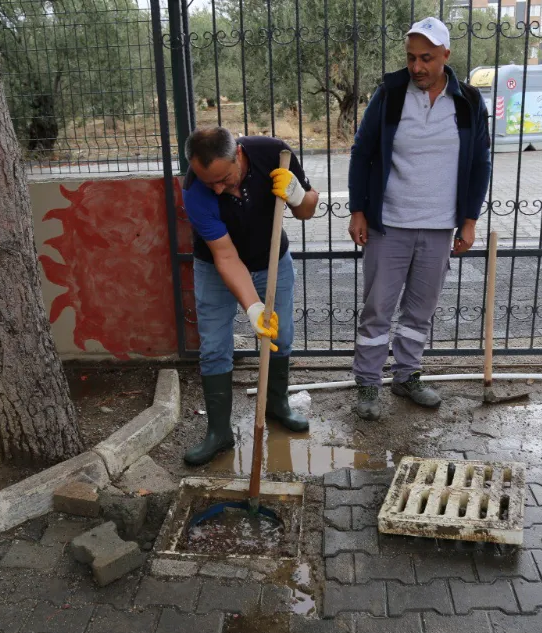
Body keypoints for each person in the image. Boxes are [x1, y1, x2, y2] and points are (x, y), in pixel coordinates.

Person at [347, 17, 492, 420]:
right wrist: (358, 209)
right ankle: (368, 384)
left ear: (446, 55)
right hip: (388, 224)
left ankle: (407, 375)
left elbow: (480, 163)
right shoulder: (391, 95)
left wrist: (468, 220)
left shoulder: (468, 101)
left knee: (419, 311)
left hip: (438, 225)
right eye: (411, 58)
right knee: (377, 309)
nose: (417, 67)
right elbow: (362, 152)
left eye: (426, 58)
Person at [181, 127, 320, 465]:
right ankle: (218, 432)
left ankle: (277, 405)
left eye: (223, 179)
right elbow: (225, 257)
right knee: (214, 346)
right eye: (207, 181)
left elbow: (308, 211)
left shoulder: (274, 154)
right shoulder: (195, 191)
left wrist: (298, 195)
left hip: (272, 259)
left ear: (238, 156)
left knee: (282, 336)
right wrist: (254, 307)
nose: (215, 188)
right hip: (216, 268)